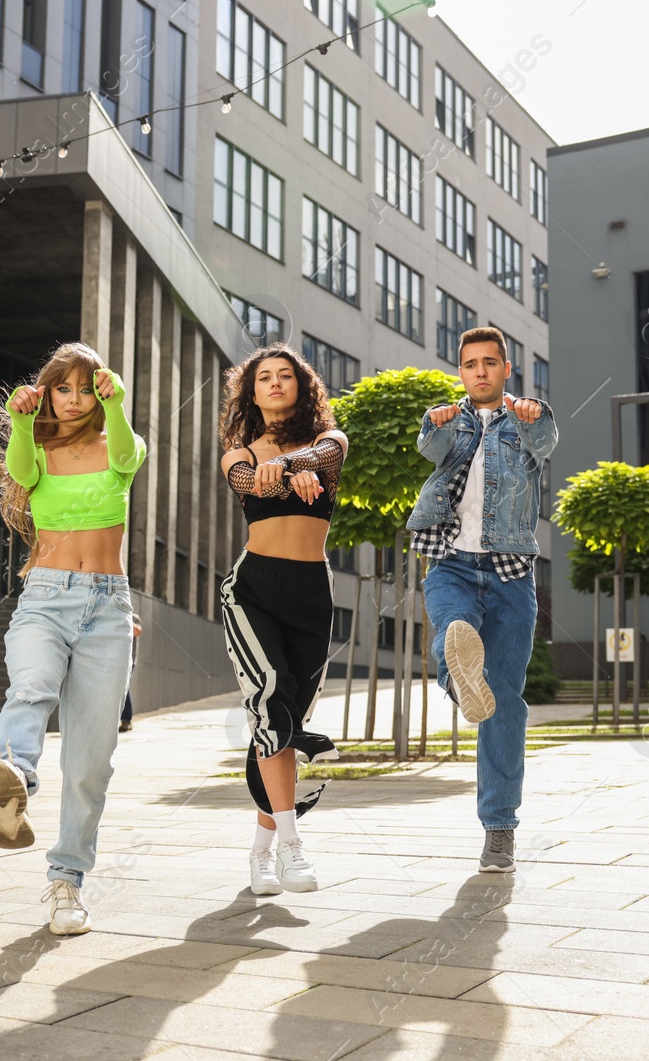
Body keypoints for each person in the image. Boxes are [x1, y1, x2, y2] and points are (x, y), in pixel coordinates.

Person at [0, 342, 146, 936]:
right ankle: (11, 775)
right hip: (44, 598)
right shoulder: (35, 448)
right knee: (33, 685)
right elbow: (19, 472)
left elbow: (125, 451)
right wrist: (19, 420)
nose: (73, 400)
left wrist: (117, 407)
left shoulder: (122, 445)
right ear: (48, 393)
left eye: (85, 388)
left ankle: (66, 882)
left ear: (101, 391)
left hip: (108, 609)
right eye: (62, 389)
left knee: (92, 762)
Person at [407, 326, 557, 874]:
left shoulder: (530, 419)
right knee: (453, 635)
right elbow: (431, 450)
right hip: (450, 560)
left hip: (511, 570)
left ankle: (499, 830)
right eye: (470, 364)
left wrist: (531, 412)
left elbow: (545, 445)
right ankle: (462, 679)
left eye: (489, 363)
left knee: (505, 702)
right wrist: (435, 420)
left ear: (506, 369)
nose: (479, 372)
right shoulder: (450, 420)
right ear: (461, 371)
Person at [217, 343, 349, 897]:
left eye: (284, 376)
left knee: (285, 726)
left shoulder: (330, 441)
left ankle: (261, 852)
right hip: (254, 591)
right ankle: (294, 846)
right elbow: (247, 482)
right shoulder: (237, 450)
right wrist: (275, 470)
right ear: (251, 391)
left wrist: (294, 464)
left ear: (301, 385)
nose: (274, 384)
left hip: (312, 595)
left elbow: (326, 456)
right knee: (270, 698)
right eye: (263, 378)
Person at [119, 613, 142, 733]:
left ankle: (126, 720)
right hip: (113, 659)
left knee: (124, 687)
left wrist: (126, 618)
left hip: (129, 660)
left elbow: (137, 632)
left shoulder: (133, 617)